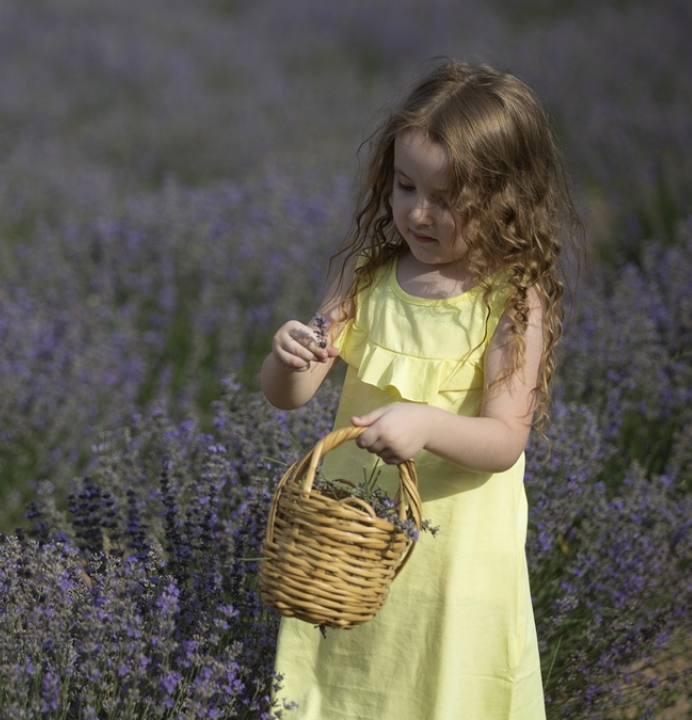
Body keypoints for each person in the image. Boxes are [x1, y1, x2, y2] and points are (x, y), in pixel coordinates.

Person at [260, 60, 581, 719]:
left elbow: (503, 440)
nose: (418, 213)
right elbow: (289, 395)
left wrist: (425, 422)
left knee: (444, 691)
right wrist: (288, 356)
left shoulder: (512, 303)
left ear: (504, 200)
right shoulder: (368, 281)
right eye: (405, 187)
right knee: (349, 691)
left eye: (445, 199)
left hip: (454, 565)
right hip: (352, 549)